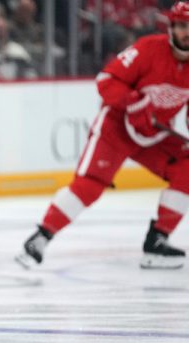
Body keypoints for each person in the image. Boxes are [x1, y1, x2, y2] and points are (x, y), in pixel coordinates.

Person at [16, 1, 189, 270]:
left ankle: (157, 242)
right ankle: (40, 237)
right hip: (117, 126)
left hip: (153, 133)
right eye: (182, 26)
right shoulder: (148, 49)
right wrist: (133, 101)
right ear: (171, 27)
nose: (186, 32)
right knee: (90, 185)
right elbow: (105, 81)